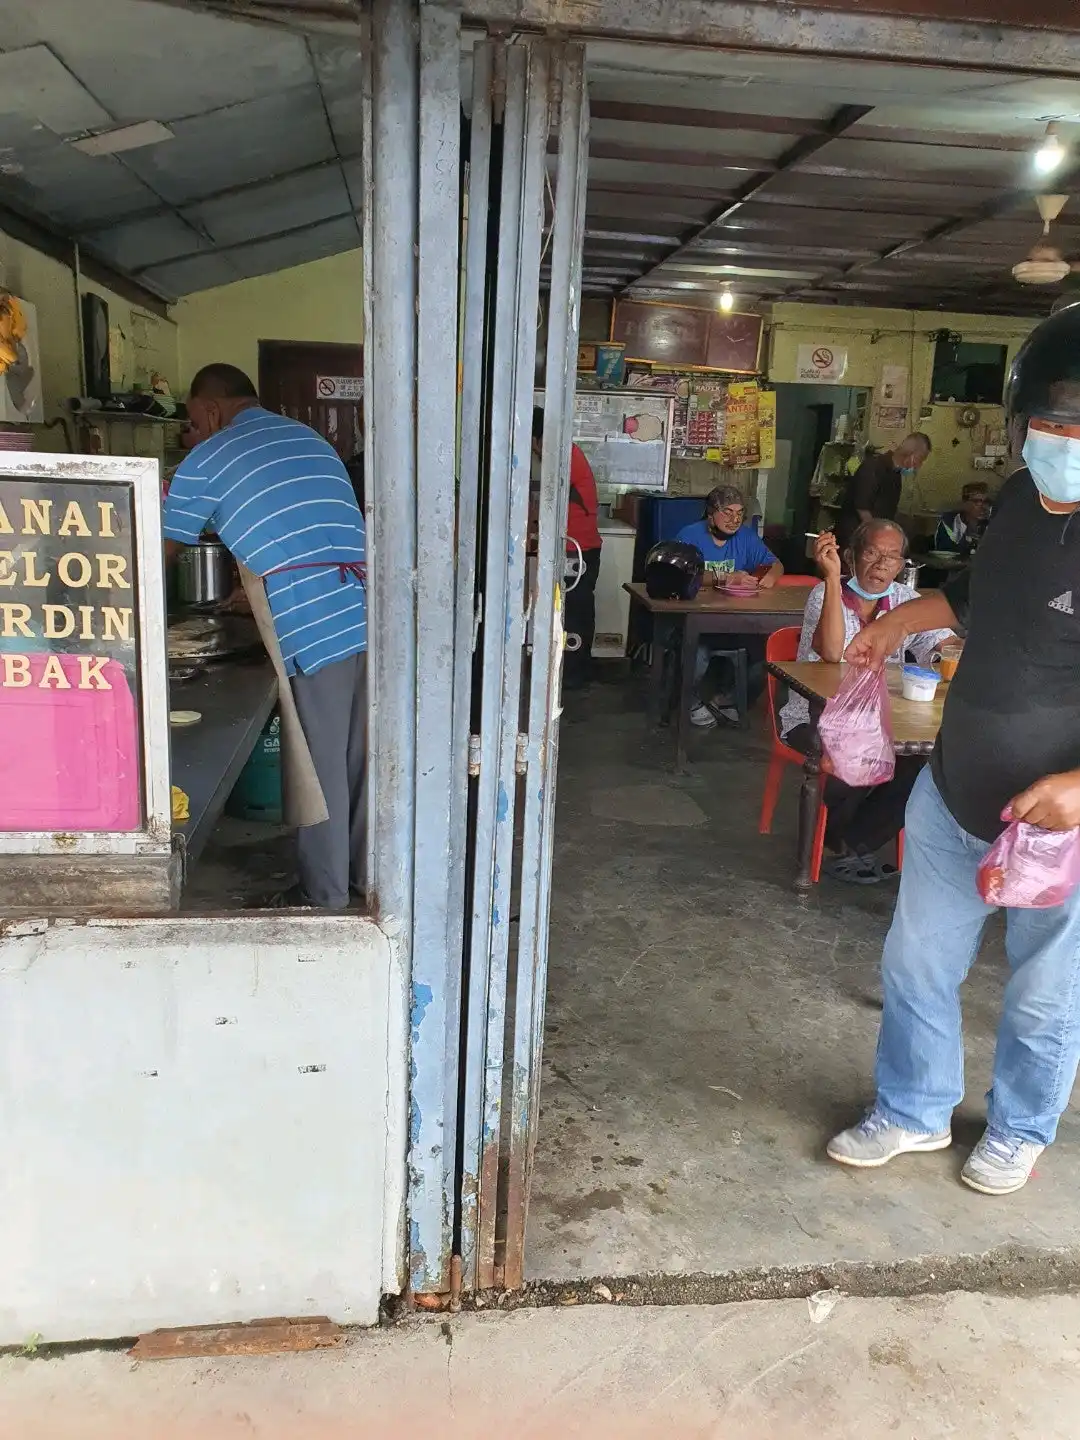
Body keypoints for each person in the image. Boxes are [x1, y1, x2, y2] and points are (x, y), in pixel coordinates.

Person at [826, 302, 1080, 1196]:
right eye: (1049, 428)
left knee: (1045, 994)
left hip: (1059, 826)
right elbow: (969, 601)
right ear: (1019, 428)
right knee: (917, 961)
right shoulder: (1016, 501)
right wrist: (892, 622)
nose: (1062, 446)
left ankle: (1020, 1128)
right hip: (955, 790)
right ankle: (914, 1108)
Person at [163, 363, 367, 911]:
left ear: (208, 409)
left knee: (317, 768)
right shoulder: (308, 438)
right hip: (368, 607)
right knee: (356, 761)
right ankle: (360, 880)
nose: (195, 432)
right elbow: (300, 531)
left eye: (193, 420)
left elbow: (159, 547)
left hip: (313, 617)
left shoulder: (206, 458)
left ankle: (324, 897)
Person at [780, 522, 954, 883]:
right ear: (852, 556)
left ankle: (854, 842)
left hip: (881, 719)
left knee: (928, 762)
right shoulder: (824, 594)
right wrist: (830, 578)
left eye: (891, 557)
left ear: (902, 564)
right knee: (849, 754)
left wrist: (954, 654)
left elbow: (943, 644)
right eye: (872, 553)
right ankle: (835, 840)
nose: (880, 565)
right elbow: (831, 653)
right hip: (814, 715)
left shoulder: (905, 601)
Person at [676, 485, 783, 729]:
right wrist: (723, 578)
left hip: (735, 619)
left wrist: (769, 578)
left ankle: (726, 700)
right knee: (697, 654)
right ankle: (690, 702)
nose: (734, 519)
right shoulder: (689, 535)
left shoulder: (746, 537)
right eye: (727, 512)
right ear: (711, 513)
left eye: (739, 513)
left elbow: (776, 564)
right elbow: (681, 573)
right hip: (696, 619)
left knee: (766, 654)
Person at [531, 408, 602, 689]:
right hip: (578, 546)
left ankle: (573, 678)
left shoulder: (560, 456)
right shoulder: (565, 453)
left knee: (575, 614)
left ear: (537, 438)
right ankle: (570, 675)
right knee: (572, 611)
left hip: (578, 550)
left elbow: (548, 500)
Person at [835, 434, 931, 554]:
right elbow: (862, 508)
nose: (919, 466)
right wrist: (878, 536)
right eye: (920, 460)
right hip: (855, 538)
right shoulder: (873, 467)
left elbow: (887, 510)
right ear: (912, 456)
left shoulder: (895, 476)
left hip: (873, 540)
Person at [933, 480, 992, 555]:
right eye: (977, 501)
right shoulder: (950, 523)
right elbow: (945, 556)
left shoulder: (992, 525)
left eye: (986, 502)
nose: (983, 507)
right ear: (965, 503)